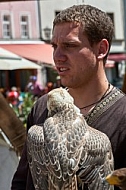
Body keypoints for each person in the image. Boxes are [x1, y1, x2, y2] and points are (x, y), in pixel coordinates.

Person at [11, 4, 126, 190]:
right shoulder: (42, 107)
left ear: (101, 49)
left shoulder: (122, 116)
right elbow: (22, 181)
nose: (57, 56)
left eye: (69, 46)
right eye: (54, 46)